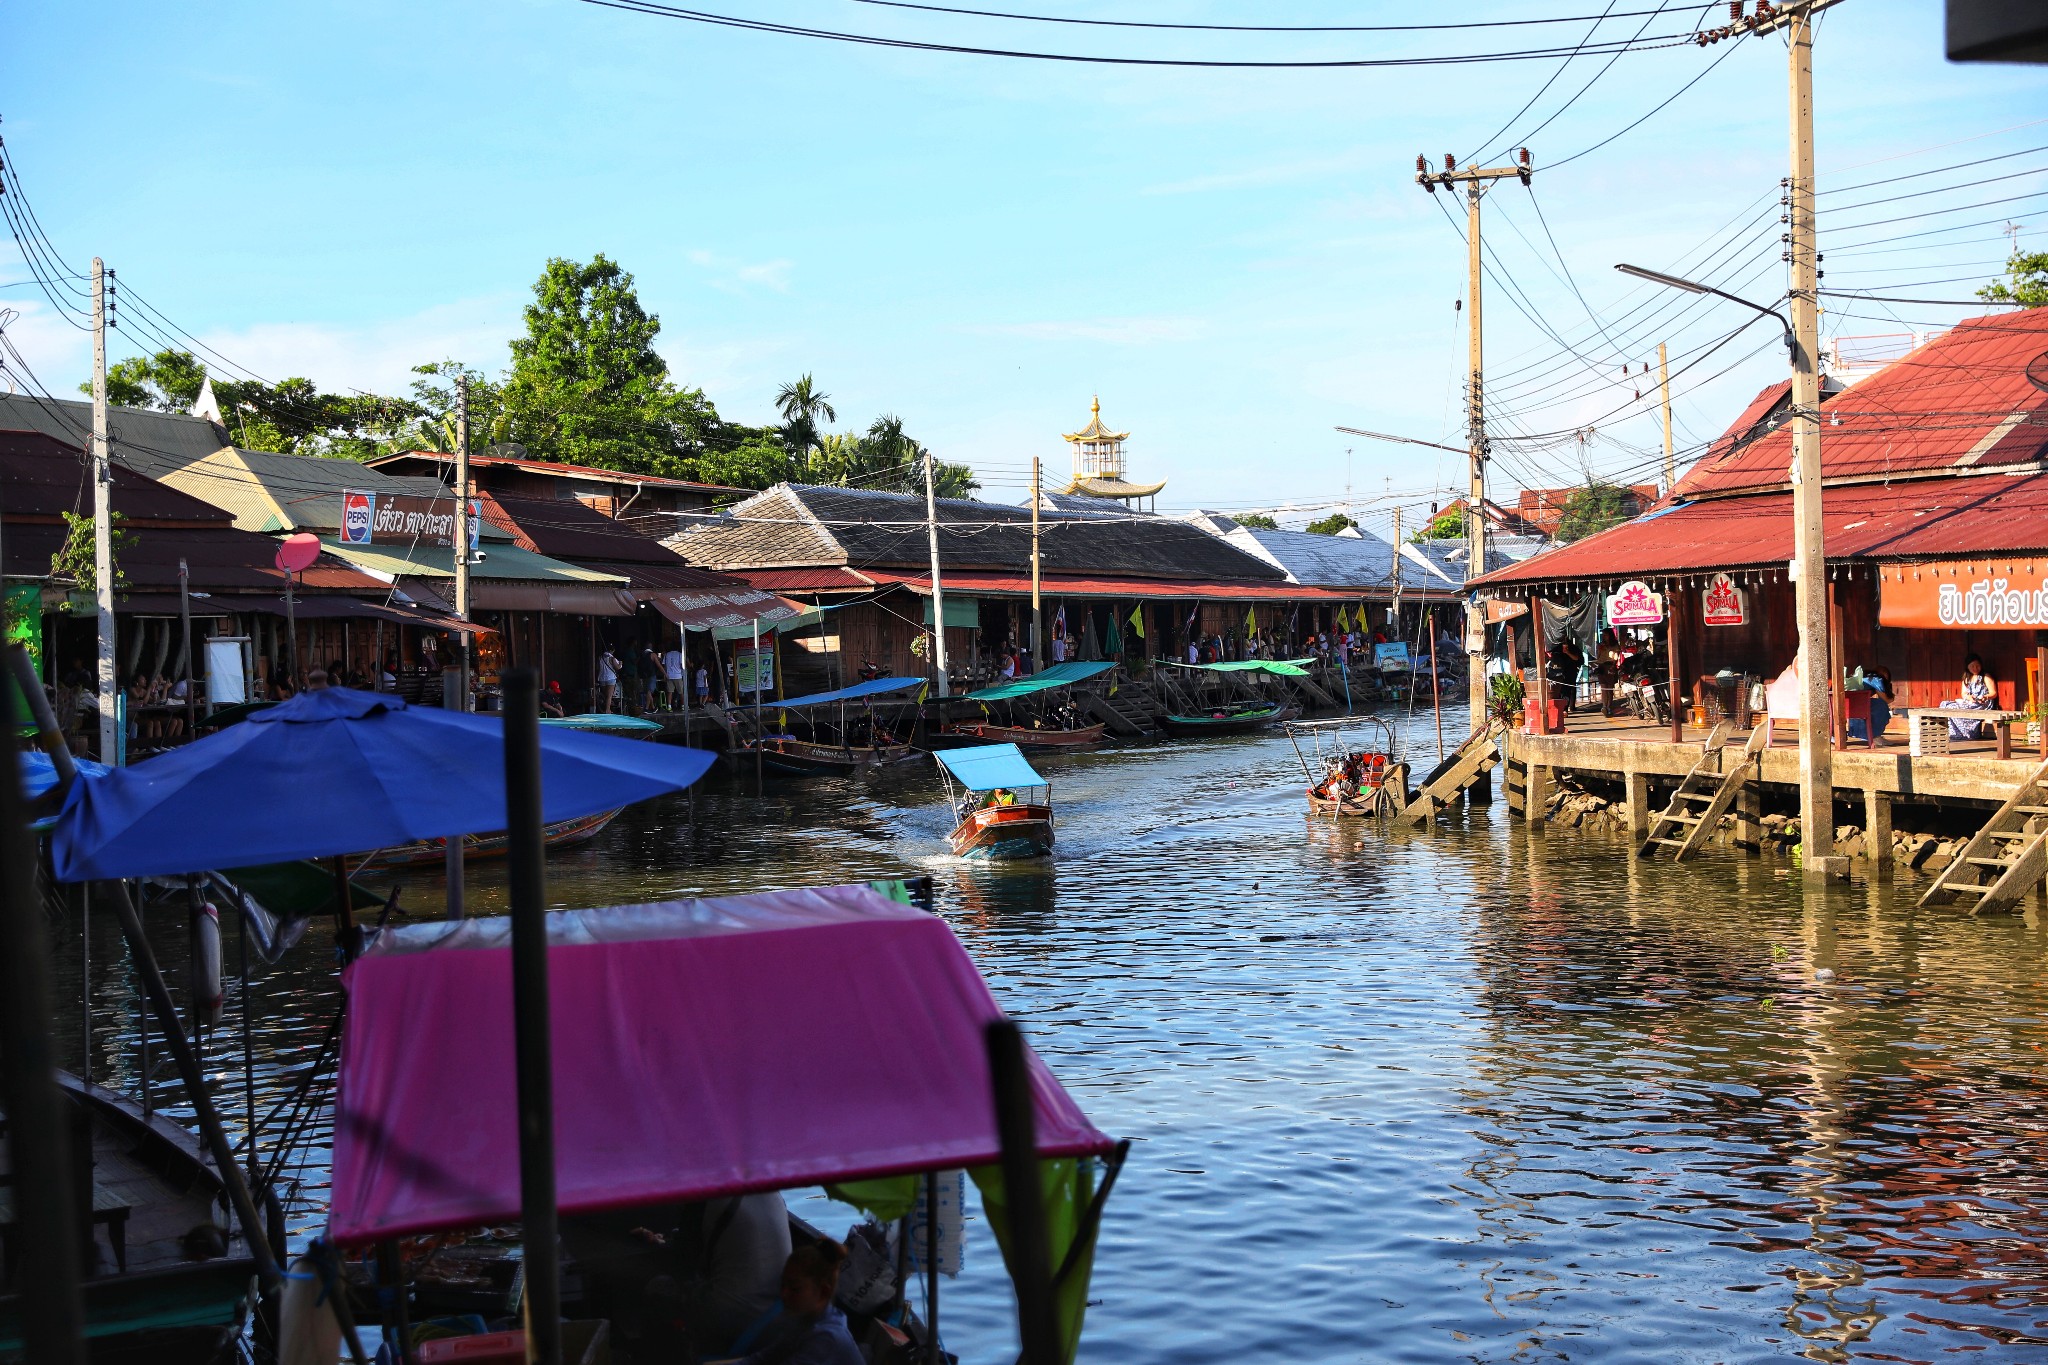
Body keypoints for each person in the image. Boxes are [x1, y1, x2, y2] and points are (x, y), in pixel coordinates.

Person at [737, 1239, 863, 1365]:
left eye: (794, 1289)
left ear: (823, 1292)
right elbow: (762, 1359)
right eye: (783, 1285)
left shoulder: (827, 1339)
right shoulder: (803, 1320)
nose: (784, 1294)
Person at [1942, 653, 1998, 739]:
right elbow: (1963, 693)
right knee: (1946, 705)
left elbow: (1993, 693)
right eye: (1972, 666)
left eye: (1977, 666)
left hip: (1983, 703)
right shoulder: (1967, 678)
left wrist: (1985, 697)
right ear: (1967, 667)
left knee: (1957, 708)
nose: (1975, 668)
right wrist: (1969, 697)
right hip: (1972, 702)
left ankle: (1968, 734)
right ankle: (1956, 734)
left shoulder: (1986, 677)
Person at [597, 648, 621, 713]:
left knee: (605, 695)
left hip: (602, 678)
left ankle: (605, 708)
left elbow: (598, 667)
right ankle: (607, 710)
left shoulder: (600, 658)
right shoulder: (612, 658)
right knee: (609, 695)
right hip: (610, 678)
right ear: (612, 650)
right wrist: (621, 663)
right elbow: (618, 667)